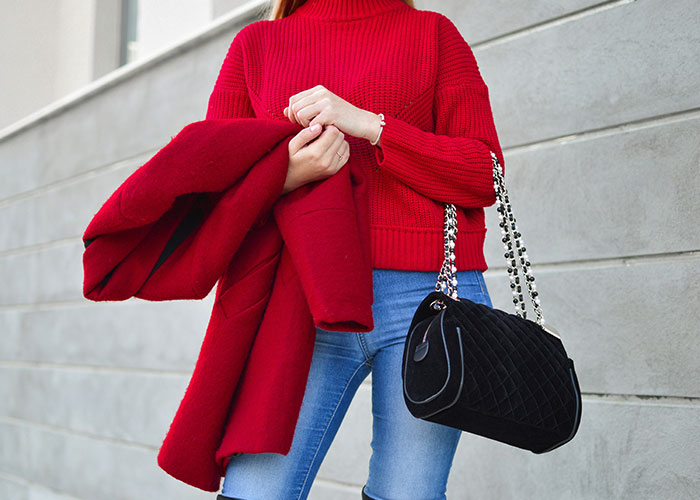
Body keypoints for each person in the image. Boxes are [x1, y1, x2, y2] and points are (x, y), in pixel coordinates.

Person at [209, 0, 505, 498]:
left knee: (407, 494)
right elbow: (213, 188)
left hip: (429, 300)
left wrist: (371, 125)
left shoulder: (433, 35)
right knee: (254, 491)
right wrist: (287, 174)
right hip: (298, 299)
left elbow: (483, 173)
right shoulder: (256, 45)